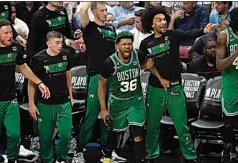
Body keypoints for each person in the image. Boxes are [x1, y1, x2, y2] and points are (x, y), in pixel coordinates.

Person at [139, 7, 213, 163]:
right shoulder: (145, 43)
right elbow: (147, 65)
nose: (163, 22)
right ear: (151, 24)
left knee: (182, 127)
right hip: (155, 90)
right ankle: (151, 154)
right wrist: (153, 73)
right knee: (152, 127)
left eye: (164, 19)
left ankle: (190, 156)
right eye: (159, 20)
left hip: (175, 88)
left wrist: (204, 30)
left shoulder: (174, 35)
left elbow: (190, 34)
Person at [0, 19, 50, 163]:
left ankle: (12, 160)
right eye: (5, 33)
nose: (9, 35)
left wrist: (39, 82)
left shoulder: (15, 47)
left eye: (11, 32)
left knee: (14, 135)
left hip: (11, 99)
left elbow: (22, 67)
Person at [73, 2, 124, 163]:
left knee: (110, 116)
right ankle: (79, 150)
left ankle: (107, 152)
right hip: (96, 76)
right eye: (102, 10)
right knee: (91, 114)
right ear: (94, 12)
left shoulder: (111, 29)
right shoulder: (90, 27)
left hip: (112, 76)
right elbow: (82, 9)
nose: (105, 13)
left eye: (106, 10)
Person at [99, 31, 153, 163]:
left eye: (129, 44)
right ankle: (107, 156)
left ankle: (140, 159)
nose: (127, 46)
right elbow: (101, 86)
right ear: (117, 46)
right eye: (124, 44)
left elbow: (145, 64)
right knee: (114, 131)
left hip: (135, 99)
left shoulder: (138, 54)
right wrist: (103, 108)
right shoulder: (109, 63)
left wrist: (146, 66)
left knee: (137, 130)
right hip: (117, 101)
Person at [28, 31, 73, 163]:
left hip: (63, 102)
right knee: (46, 138)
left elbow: (68, 73)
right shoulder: (38, 59)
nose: (60, 46)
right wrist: (31, 103)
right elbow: (31, 82)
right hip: (45, 104)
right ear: (48, 43)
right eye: (57, 43)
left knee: (65, 135)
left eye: (62, 43)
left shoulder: (66, 54)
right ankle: (47, 160)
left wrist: (71, 94)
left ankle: (62, 159)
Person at [216, 7, 238, 163]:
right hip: (231, 84)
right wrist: (236, 53)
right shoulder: (224, 36)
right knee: (230, 123)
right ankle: (226, 148)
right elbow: (219, 65)